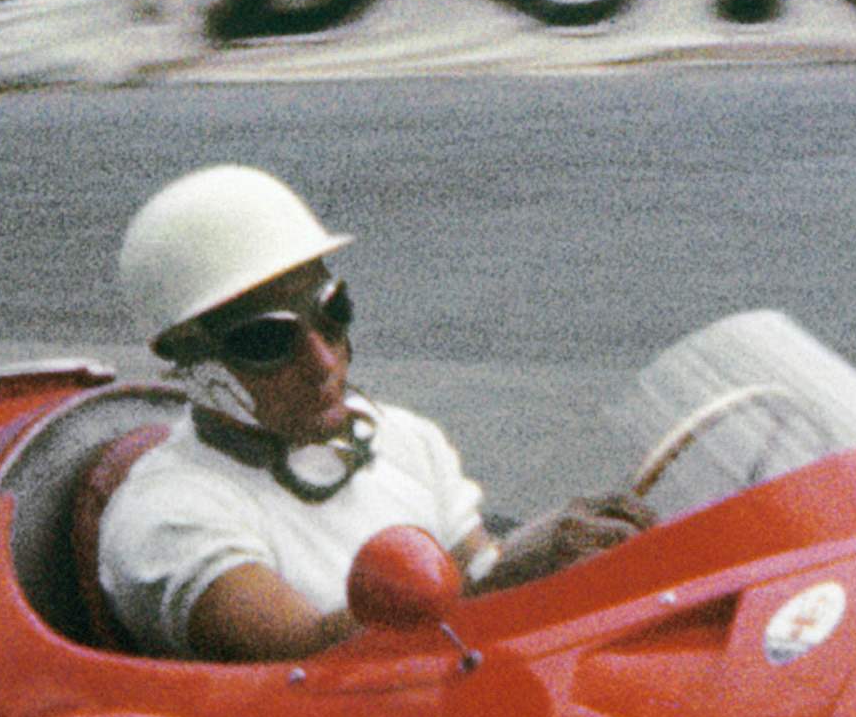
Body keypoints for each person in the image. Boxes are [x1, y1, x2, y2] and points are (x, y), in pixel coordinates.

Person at [95, 167, 642, 663]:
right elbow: (301, 661)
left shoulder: (402, 438)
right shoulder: (169, 513)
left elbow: (479, 568)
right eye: (267, 339)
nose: (324, 361)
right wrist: (501, 578)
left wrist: (560, 552)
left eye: (331, 311)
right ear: (189, 359)